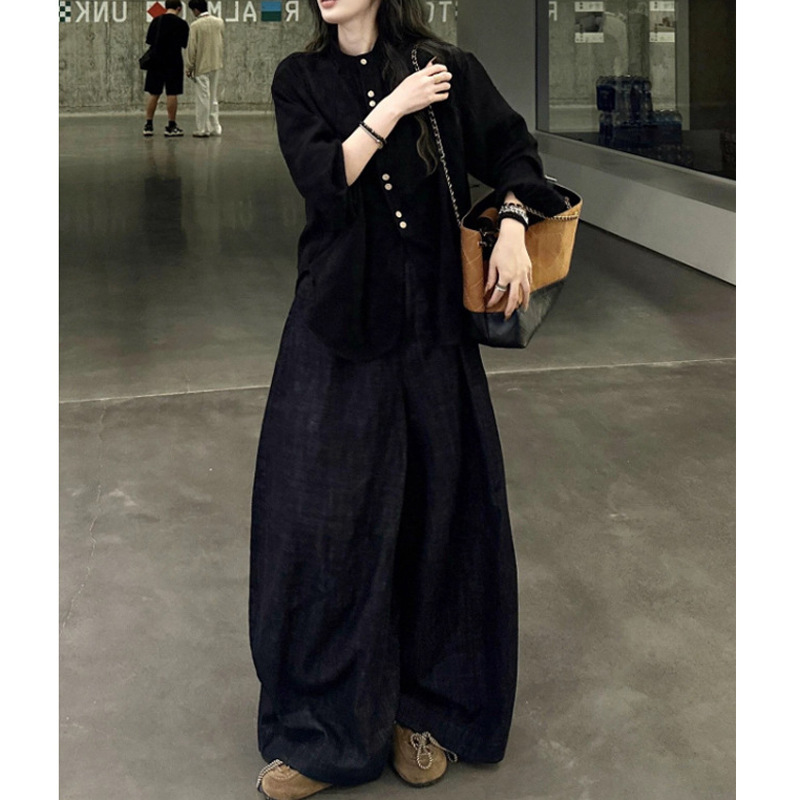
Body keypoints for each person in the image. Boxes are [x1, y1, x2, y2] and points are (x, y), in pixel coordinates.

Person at [248, 1, 570, 799]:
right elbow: (324, 180)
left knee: (439, 517)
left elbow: (514, 150)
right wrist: (393, 106)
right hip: (336, 326)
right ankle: (326, 730)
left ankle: (423, 712)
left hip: (432, 331)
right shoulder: (300, 79)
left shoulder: (447, 68)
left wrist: (513, 223)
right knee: (323, 526)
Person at [142, 0, 189, 137]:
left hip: (156, 61)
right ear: (179, 8)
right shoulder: (182, 24)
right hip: (174, 61)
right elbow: (184, 44)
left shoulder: (156, 21)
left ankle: (148, 125)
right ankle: (171, 126)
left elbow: (149, 41)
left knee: (154, 93)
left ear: (166, 7)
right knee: (172, 93)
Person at [185, 0, 225, 138]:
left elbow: (192, 48)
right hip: (216, 63)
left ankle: (202, 128)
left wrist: (189, 66)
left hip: (201, 65)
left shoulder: (195, 25)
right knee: (213, 97)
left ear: (196, 10)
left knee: (203, 98)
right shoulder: (219, 22)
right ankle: (215, 126)